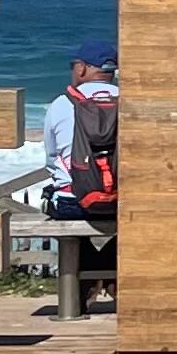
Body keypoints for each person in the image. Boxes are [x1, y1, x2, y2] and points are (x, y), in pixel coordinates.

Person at [43, 38, 120, 296]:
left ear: (82, 68)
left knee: (55, 205)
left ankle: (87, 280)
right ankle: (108, 270)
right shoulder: (130, 101)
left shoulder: (62, 103)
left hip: (73, 203)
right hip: (122, 203)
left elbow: (52, 158)